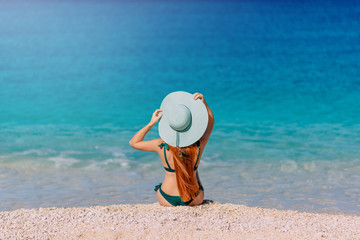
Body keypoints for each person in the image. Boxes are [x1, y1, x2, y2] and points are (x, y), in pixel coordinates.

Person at [129, 92, 214, 206]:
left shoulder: (161, 145)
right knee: (194, 170)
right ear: (190, 125)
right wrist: (204, 104)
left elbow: (134, 142)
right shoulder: (198, 145)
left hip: (167, 199)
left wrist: (151, 123)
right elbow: (210, 123)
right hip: (193, 199)